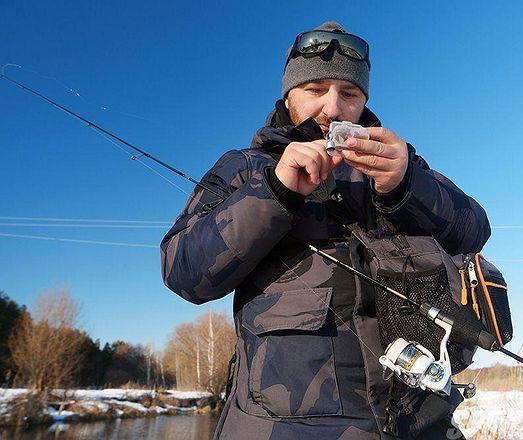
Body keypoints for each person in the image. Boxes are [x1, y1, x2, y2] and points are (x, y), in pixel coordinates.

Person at [161, 21, 490, 440]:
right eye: (315, 90)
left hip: (418, 423)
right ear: (288, 94)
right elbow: (183, 271)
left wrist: (408, 183)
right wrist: (276, 191)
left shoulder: (401, 163)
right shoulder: (244, 168)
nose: (333, 109)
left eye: (349, 93)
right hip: (284, 428)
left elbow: (474, 230)